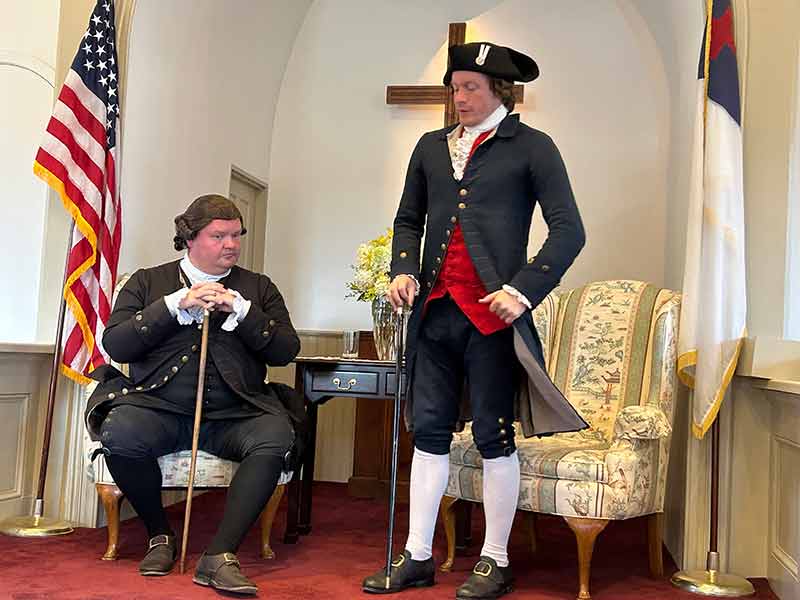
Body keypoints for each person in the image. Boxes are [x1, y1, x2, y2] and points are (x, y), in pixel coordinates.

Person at [362, 42, 588, 599]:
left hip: (491, 319)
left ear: (500, 91)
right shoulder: (429, 147)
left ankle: (495, 559)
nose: (459, 98)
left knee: (493, 435)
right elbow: (408, 219)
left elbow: (569, 230)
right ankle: (417, 555)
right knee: (429, 432)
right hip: (435, 315)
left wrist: (523, 290)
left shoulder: (533, 147)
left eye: (471, 88)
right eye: (455, 87)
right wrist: (402, 269)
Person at [86, 194, 302, 595]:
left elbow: (286, 350)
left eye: (236, 235)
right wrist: (174, 305)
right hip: (158, 407)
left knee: (275, 435)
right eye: (219, 236)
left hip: (236, 413)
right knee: (121, 432)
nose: (231, 244)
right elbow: (116, 344)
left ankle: (219, 555)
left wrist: (244, 312)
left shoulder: (258, 287)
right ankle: (159, 535)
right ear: (190, 238)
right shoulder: (147, 282)